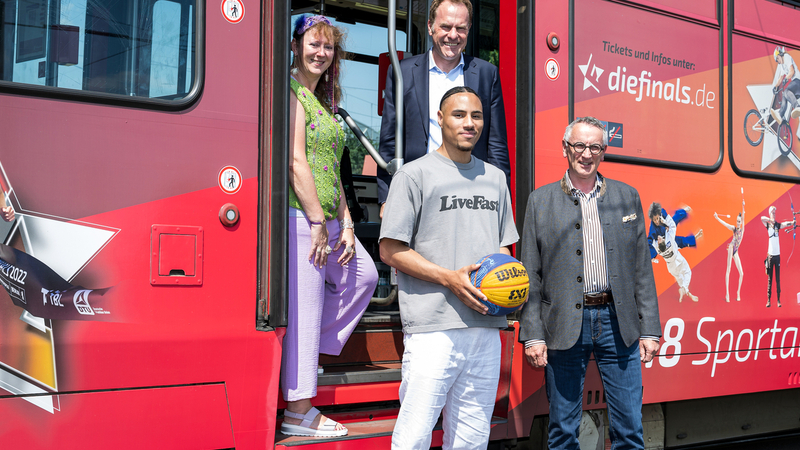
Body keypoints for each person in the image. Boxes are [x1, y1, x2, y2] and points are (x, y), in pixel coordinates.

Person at [379, 86, 518, 449]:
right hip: (433, 328)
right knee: (414, 436)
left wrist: (506, 288)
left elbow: (504, 249)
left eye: (476, 116)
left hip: (487, 326)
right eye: (459, 115)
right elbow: (390, 250)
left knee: (472, 439)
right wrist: (449, 279)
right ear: (440, 119)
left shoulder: (496, 178)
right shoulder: (413, 175)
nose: (468, 123)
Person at [518, 117, 661, 450]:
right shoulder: (540, 201)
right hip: (563, 325)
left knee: (629, 431)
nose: (586, 154)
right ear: (566, 148)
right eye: (579, 145)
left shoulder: (628, 197)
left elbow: (641, 267)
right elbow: (531, 274)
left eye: (595, 146)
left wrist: (650, 329)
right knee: (563, 432)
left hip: (618, 323)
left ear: (604, 151)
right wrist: (533, 335)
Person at [280, 15, 379, 437]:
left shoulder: (324, 101)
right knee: (307, 307)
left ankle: (299, 358)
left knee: (364, 276)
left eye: (328, 47)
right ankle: (299, 411)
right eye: (313, 45)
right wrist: (318, 221)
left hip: (329, 219)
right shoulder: (291, 92)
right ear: (296, 45)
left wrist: (348, 222)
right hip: (302, 217)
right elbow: (296, 161)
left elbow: (331, 171)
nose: (321, 53)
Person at [377, 0, 510, 216]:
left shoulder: (487, 74)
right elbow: (390, 139)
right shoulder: (402, 72)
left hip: (472, 190)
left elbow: (496, 144)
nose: (453, 35)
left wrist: (502, 200)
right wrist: (386, 197)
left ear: (468, 30)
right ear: (430, 27)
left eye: (461, 28)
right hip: (418, 189)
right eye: (446, 27)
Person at [761, 205, 795, 307]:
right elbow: (762, 218)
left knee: (778, 279)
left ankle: (779, 300)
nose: (775, 214)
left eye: (775, 213)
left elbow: (784, 224)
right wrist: (770, 220)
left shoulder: (777, 225)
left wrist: (792, 223)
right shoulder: (768, 224)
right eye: (773, 212)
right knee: (770, 279)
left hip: (777, 256)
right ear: (770, 213)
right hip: (770, 256)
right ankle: (768, 300)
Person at [714, 200, 746, 302]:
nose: (737, 223)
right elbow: (725, 224)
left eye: (739, 221)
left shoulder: (742, 230)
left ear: (741, 223)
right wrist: (717, 217)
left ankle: (738, 293)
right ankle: (727, 294)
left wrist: (743, 207)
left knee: (741, 273)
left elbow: (744, 217)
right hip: (731, 247)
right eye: (737, 221)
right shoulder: (734, 229)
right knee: (728, 270)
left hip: (736, 251)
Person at [770, 46, 800, 137]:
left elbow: (791, 71)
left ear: (781, 54)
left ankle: (797, 107)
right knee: (785, 94)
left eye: (777, 59)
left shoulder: (786, 58)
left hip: (798, 81)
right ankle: (780, 114)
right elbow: (780, 78)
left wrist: (786, 79)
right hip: (795, 86)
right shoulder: (782, 66)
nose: (777, 62)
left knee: (786, 91)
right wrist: (775, 87)